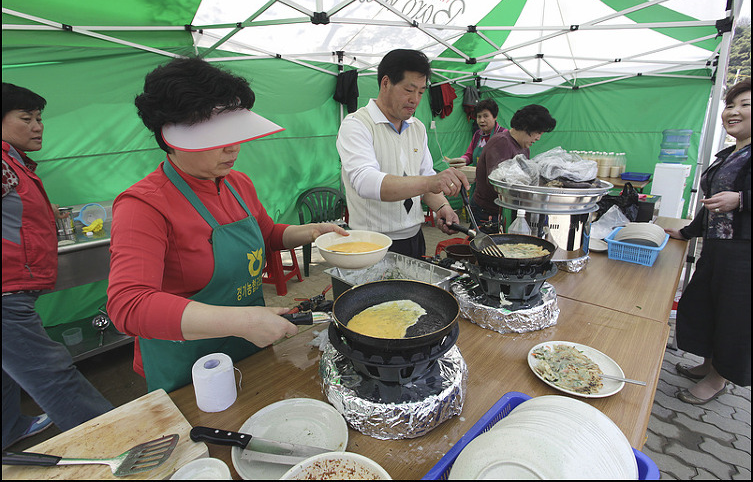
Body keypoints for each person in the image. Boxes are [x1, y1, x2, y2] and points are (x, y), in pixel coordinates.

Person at [106, 59, 348, 394]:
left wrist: (310, 232)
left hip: (249, 347)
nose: (233, 147)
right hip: (189, 364)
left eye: (235, 133)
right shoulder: (143, 205)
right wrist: (243, 321)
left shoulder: (237, 183)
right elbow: (129, 304)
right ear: (172, 136)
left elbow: (267, 234)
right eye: (216, 136)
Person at [2, 83, 113, 450]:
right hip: (5, 294)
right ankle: (116, 441)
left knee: (8, 368)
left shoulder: (15, 162)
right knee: (49, 370)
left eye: (39, 118)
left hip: (14, 286)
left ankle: (8, 429)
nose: (38, 126)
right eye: (26, 118)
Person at [665, 78, 750, 404]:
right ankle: (708, 364)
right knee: (707, 305)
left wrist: (741, 200)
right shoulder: (731, 153)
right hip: (717, 247)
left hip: (744, 253)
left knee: (734, 316)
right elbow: (712, 202)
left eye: (745, 105)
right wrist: (687, 232)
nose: (734, 111)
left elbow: (731, 199)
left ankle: (718, 379)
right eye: (731, 104)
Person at [336, 49, 468, 259]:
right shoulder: (357, 125)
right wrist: (430, 182)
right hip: (371, 243)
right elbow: (366, 182)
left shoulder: (417, 128)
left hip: (414, 237)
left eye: (421, 92)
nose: (415, 100)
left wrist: (442, 206)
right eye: (409, 90)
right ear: (386, 83)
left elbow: (425, 176)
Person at [471, 104, 556, 225]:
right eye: (538, 132)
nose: (538, 138)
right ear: (526, 127)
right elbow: (497, 183)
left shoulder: (524, 147)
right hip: (489, 212)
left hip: (508, 209)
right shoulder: (501, 143)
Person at [446, 99, 506, 168]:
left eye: (485, 116)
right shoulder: (477, 134)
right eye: (479, 116)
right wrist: (462, 160)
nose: (481, 120)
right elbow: (470, 154)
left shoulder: (503, 135)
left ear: (495, 117)